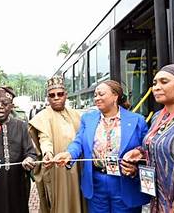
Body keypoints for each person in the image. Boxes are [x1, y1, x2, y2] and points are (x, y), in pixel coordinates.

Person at [54, 80, 150, 213]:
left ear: (115, 96)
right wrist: (69, 154)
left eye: (101, 94)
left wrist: (136, 167)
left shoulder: (137, 120)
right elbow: (79, 142)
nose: (96, 98)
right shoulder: (88, 118)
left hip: (125, 183)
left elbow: (147, 150)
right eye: (95, 95)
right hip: (96, 183)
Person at [122, 64, 174, 213]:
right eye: (155, 83)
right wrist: (141, 154)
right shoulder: (158, 117)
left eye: (164, 82)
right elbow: (159, 147)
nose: (156, 87)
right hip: (159, 201)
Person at [28, 75, 85, 213]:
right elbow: (44, 137)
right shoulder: (43, 117)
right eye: (52, 95)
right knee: (58, 203)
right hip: (56, 171)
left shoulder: (77, 115)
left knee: (79, 198)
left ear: (66, 95)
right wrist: (48, 153)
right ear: (48, 98)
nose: (56, 97)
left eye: (60, 94)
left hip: (77, 169)